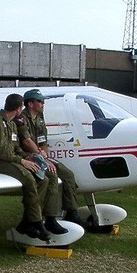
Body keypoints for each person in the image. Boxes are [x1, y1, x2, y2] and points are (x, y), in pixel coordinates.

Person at [0, 93, 64, 240]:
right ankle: (36, 222)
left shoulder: (12, 124)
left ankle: (28, 221)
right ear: (18, 108)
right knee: (28, 179)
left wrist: (28, 156)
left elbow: (16, 148)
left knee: (43, 179)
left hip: (10, 159)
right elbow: (2, 153)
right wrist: (23, 161)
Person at [16, 88, 88, 228]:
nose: (43, 104)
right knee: (52, 177)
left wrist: (45, 156)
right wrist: (42, 157)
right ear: (30, 104)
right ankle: (50, 218)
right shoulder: (21, 119)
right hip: (27, 158)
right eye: (40, 101)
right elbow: (26, 141)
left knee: (68, 175)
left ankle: (72, 212)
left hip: (39, 157)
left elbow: (43, 142)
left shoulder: (39, 120)